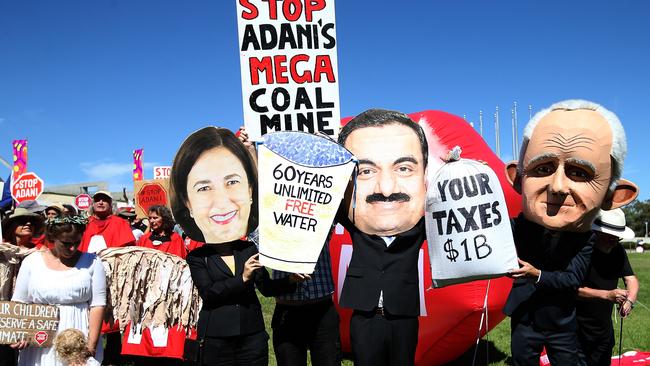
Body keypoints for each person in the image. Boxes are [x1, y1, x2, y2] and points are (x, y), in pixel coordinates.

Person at [503, 100, 638, 366]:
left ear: (612, 196)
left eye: (579, 172)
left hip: (561, 322)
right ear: (519, 180)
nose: (558, 186)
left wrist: (536, 274)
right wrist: (459, 174)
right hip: (524, 317)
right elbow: (479, 227)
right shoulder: (518, 228)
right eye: (543, 168)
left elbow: (571, 279)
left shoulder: (586, 238)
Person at [171, 126, 304, 366]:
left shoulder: (248, 249)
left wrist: (291, 281)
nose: (221, 201)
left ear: (250, 190)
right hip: (216, 340)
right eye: (203, 188)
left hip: (252, 338)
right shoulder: (198, 257)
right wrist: (242, 279)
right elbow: (209, 294)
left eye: (232, 182)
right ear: (187, 202)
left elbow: (265, 288)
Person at [336, 109, 429, 366]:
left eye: (403, 168)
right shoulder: (358, 224)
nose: (386, 189)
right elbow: (327, 202)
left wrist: (471, 175)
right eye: (366, 171)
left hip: (403, 314)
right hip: (364, 314)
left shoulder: (418, 227)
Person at [11, 215, 106, 365]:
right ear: (52, 238)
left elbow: (98, 305)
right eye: (66, 243)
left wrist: (90, 346)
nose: (73, 248)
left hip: (78, 331)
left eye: (77, 242)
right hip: (41, 335)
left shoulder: (92, 262)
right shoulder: (32, 261)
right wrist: (17, 333)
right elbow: (19, 302)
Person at [121, 205, 187, 364]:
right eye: (150, 218)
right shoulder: (144, 239)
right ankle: (144, 355)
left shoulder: (175, 239)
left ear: (164, 218)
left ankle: (165, 355)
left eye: (155, 218)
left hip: (167, 292)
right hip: (145, 293)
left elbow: (179, 264)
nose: (152, 221)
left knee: (164, 329)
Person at [576, 208, 640, 365]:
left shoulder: (618, 251)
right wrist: (607, 295)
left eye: (617, 238)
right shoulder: (581, 250)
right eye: (610, 238)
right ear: (597, 232)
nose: (614, 242)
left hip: (603, 330)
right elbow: (570, 288)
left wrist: (629, 301)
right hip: (575, 329)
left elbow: (631, 279)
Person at [78, 191, 135, 366]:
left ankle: (113, 359)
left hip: (115, 280)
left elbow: (129, 252)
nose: (101, 202)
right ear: (92, 204)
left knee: (114, 321)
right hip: (87, 276)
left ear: (111, 204)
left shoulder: (120, 224)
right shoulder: (84, 224)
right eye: (97, 200)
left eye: (105, 200)